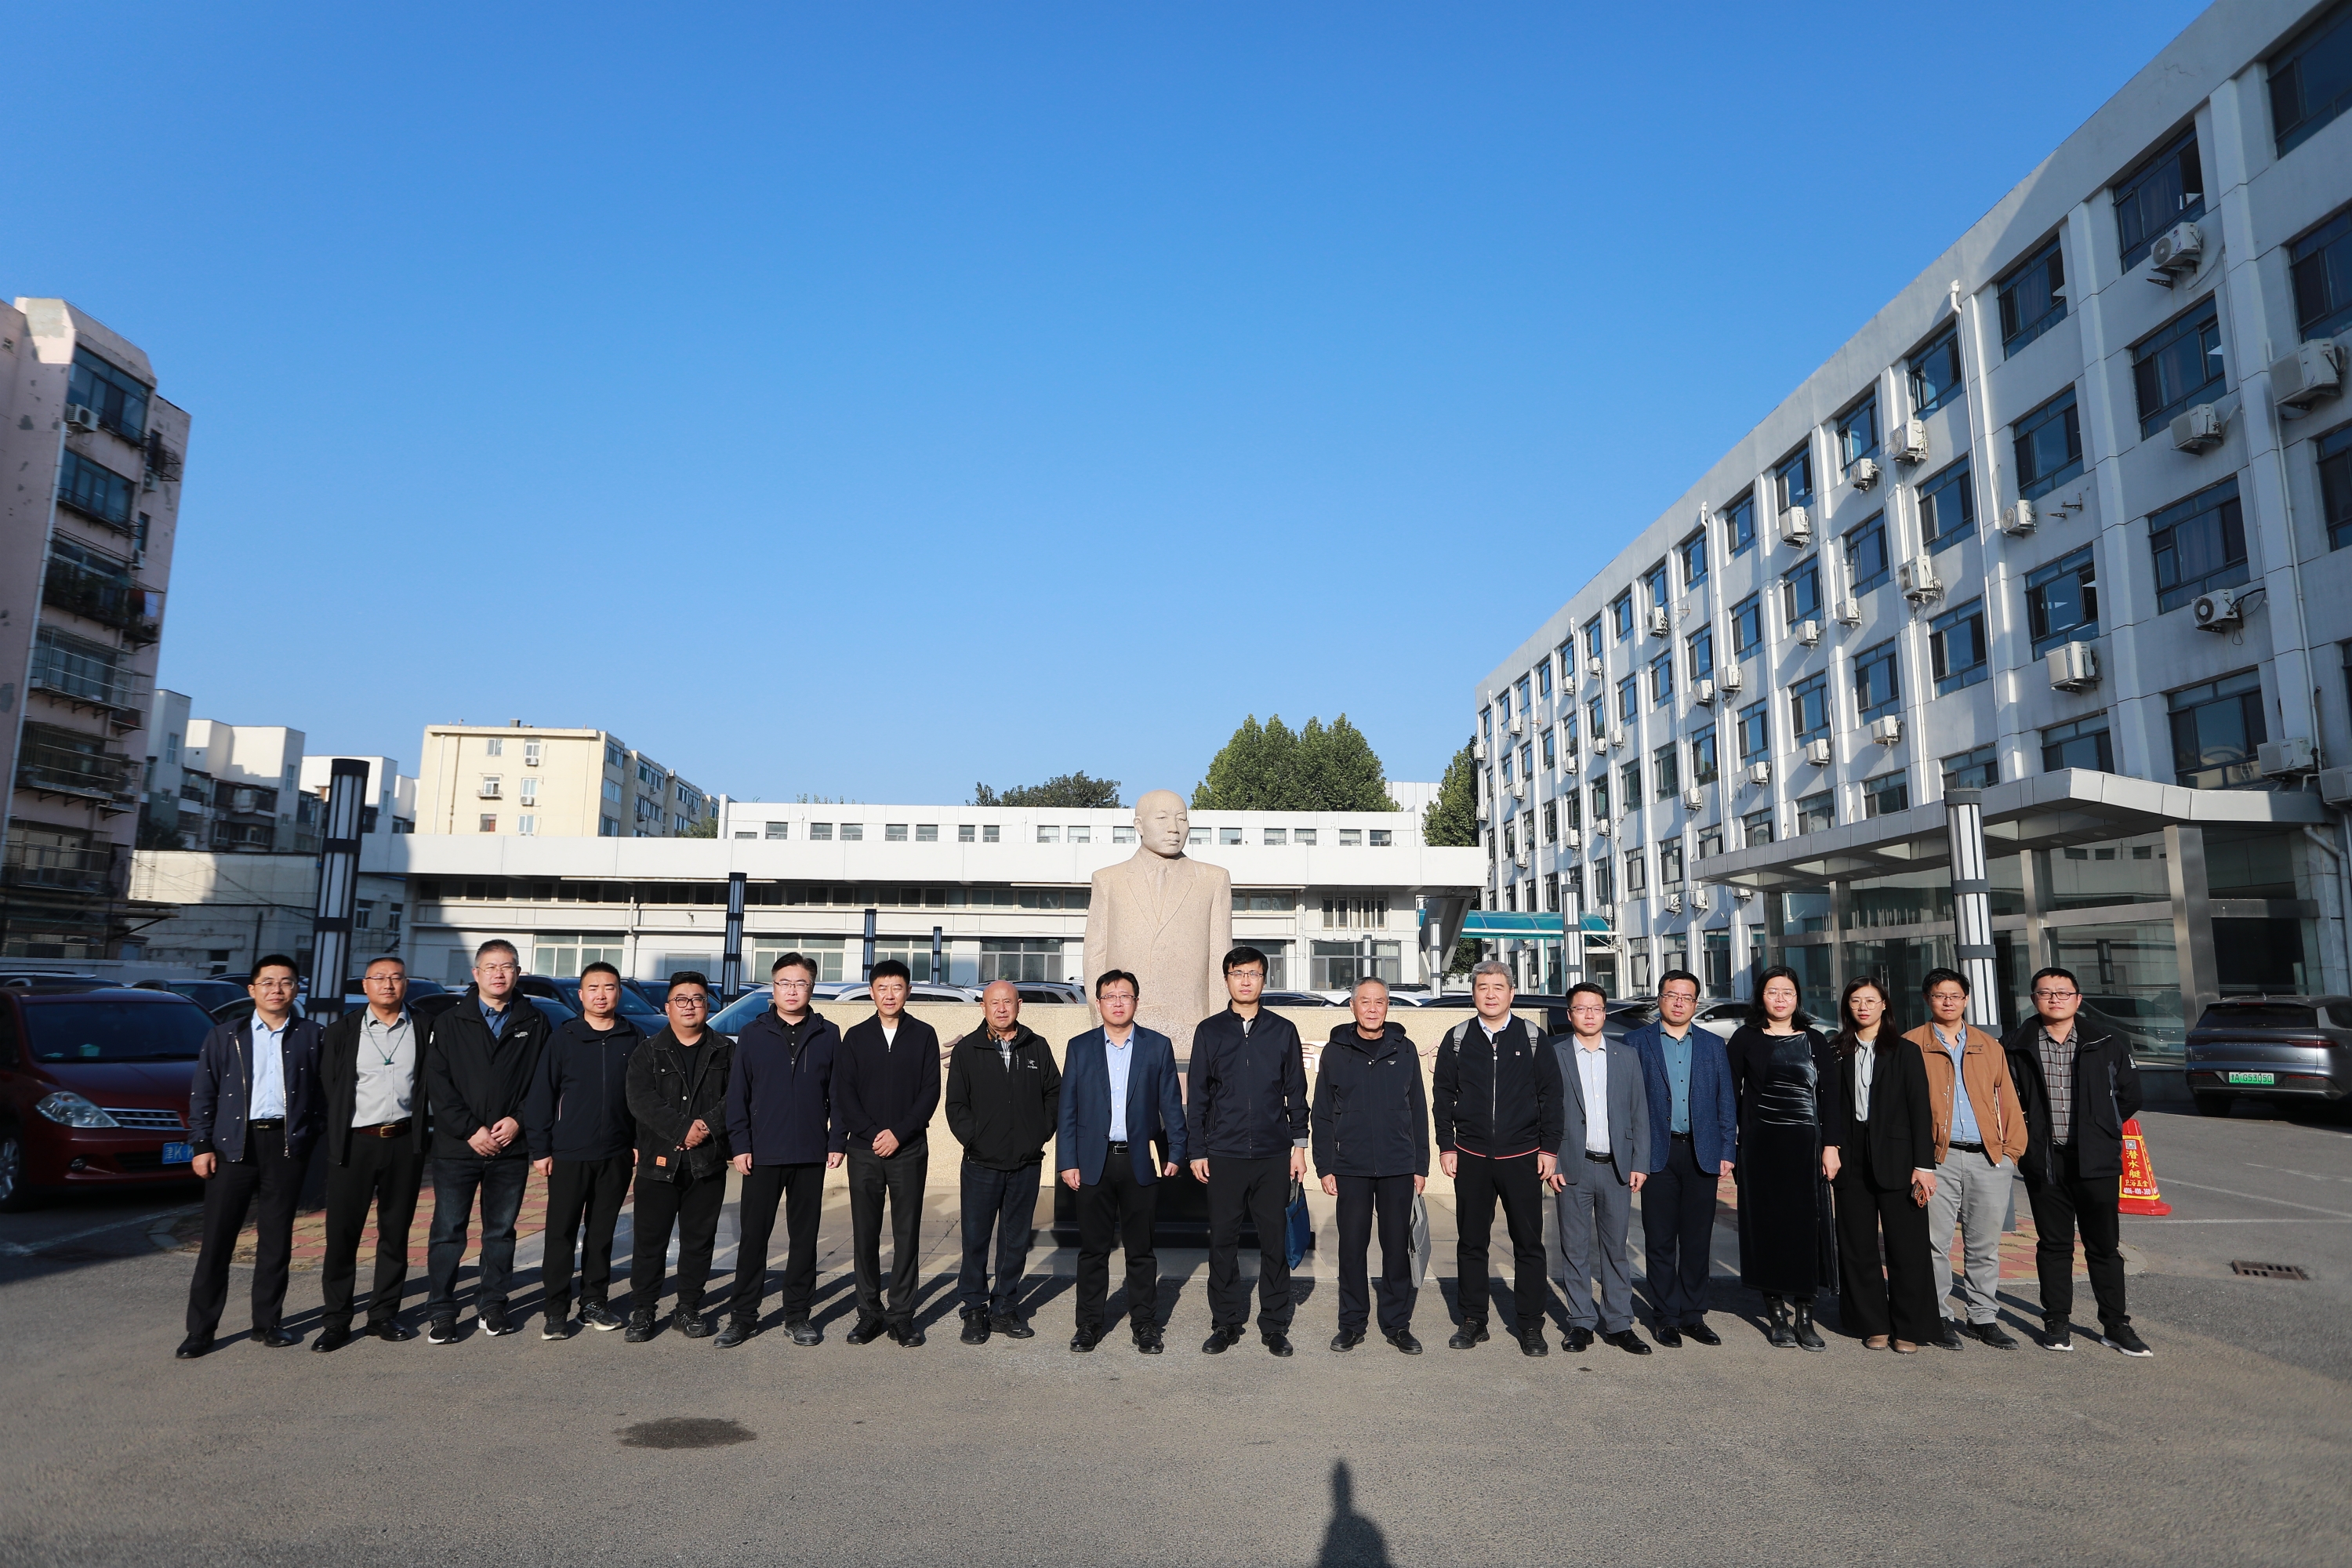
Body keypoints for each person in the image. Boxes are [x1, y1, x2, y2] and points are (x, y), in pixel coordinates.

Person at [177, 955, 325, 1358]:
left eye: (286, 982)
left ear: (297, 988)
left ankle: (268, 1323)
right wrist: (201, 1144)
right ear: (252, 989)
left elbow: (324, 1095)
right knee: (217, 1240)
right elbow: (203, 1094)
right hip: (233, 1146)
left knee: (276, 1240)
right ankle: (200, 1330)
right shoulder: (226, 1035)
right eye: (268, 982)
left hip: (286, 1147)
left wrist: (311, 1137)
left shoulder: (312, 1035)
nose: (277, 990)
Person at [2004, 966, 2151, 1356]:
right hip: (2045, 1159)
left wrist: (2101, 1126)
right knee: (2054, 1245)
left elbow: (2130, 1095)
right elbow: (2006, 1099)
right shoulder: (2015, 1045)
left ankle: (2116, 1325)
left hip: (2096, 1160)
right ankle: (2056, 1322)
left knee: (2104, 1246)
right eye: (2045, 993)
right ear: (2034, 999)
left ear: (2078, 999)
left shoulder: (2106, 1042)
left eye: (2063, 993)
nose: (2055, 999)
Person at [422, 939, 551, 1343]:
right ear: (476, 973)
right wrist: (470, 1130)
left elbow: (544, 1083)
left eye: (507, 966)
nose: (499, 973)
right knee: (448, 1231)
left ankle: (493, 1304)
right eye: (491, 967)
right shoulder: (448, 1022)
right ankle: (442, 1310)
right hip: (458, 1147)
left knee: (500, 1231)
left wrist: (518, 1122)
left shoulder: (535, 1022)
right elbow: (438, 1085)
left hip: (510, 1146)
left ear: (518, 973)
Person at [1432, 960, 1564, 1356]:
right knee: (1472, 1242)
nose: (1490, 994)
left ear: (1511, 993)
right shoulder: (1458, 1038)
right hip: (1471, 1155)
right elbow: (1443, 1096)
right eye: (1482, 987)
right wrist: (1447, 1145)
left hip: (1523, 1155)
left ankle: (1530, 1325)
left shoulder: (1533, 1037)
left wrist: (1549, 1148)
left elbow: (1551, 1096)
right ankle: (1473, 1320)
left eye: (1498, 987)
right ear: (1473, 993)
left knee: (1528, 1244)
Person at [1188, 945, 1311, 1357]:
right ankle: (1225, 1323)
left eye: (1254, 974)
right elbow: (1198, 1097)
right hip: (1224, 1153)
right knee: (1222, 1242)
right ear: (1227, 979)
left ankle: (1274, 1325)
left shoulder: (1282, 1030)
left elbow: (1296, 1092)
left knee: (1274, 1243)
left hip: (1274, 1154)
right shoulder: (1209, 1031)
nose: (1246, 981)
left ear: (1264, 979)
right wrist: (1197, 1150)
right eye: (1238, 973)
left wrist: (1299, 1147)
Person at [1058, 969, 1186, 1353]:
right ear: (1098, 1003)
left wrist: (1177, 1150)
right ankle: (1088, 1324)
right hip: (1092, 1162)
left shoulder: (1157, 1046)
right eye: (1109, 996)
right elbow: (1068, 1109)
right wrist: (1067, 1161)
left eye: (1125, 996)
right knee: (1093, 1250)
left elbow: (1171, 1104)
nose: (1117, 1003)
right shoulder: (1080, 1047)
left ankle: (1145, 1324)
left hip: (1139, 1161)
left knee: (1141, 1250)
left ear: (1136, 1002)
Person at [720, 952, 844, 1348]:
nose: (792, 990)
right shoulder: (753, 1033)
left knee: (803, 1240)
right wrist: (740, 1144)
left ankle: (798, 1316)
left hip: (810, 1152)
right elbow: (738, 1095)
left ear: (812, 988)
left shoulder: (828, 1033)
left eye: (801, 983)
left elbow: (838, 1094)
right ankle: (742, 1318)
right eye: (784, 983)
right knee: (753, 1239)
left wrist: (836, 1140)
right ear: (773, 988)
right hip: (762, 1153)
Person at [1904, 968, 2027, 1349]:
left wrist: (2011, 1153)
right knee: (1933, 1244)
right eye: (1940, 995)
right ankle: (1939, 1316)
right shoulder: (1910, 1044)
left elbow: (2008, 1100)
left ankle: (1983, 1317)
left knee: (1984, 1245)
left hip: (1988, 1159)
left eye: (1955, 995)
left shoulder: (1989, 1046)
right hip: (1934, 1160)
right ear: (1927, 1000)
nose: (1948, 1002)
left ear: (1966, 1000)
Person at [314, 955, 427, 1352]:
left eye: (396, 977)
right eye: (379, 978)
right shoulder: (342, 1031)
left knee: (395, 1234)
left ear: (406, 983)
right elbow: (329, 1087)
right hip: (355, 1143)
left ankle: (383, 1315)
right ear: (365, 985)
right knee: (342, 1235)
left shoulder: (424, 1027)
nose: (388, 985)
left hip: (404, 1142)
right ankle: (336, 1320)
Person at [1311, 976, 1429, 1355]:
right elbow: (1322, 1113)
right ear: (1353, 1006)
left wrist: (1421, 1165)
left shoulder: (1404, 1049)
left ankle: (1397, 1325)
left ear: (1388, 1006)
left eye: (1380, 1001)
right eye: (1365, 1001)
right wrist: (1325, 1166)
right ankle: (1352, 1324)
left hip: (1398, 1165)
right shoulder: (1335, 1052)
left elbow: (1418, 1110)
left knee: (1396, 1249)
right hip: (1351, 1166)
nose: (1373, 1008)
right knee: (1351, 1249)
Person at [524, 960, 642, 1340]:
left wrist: (637, 1141)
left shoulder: (633, 1036)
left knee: (601, 1234)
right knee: (560, 1234)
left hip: (616, 1153)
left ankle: (594, 1302)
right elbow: (541, 1096)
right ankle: (556, 1310)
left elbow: (643, 1096)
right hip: (569, 1153)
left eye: (609, 987)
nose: (601, 995)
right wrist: (541, 1149)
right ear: (581, 994)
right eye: (593, 988)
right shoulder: (564, 1038)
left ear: (619, 992)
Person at [1725, 964, 1837, 1351]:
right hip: (1760, 1149)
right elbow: (1729, 1094)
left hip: (1807, 1148)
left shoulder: (1815, 1039)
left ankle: (1805, 1316)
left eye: (1787, 992)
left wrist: (1832, 1147)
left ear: (1797, 998)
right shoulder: (1745, 1038)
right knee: (1767, 1231)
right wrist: (1732, 1145)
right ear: (1761, 996)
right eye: (1772, 992)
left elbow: (1831, 1098)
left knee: (1807, 1230)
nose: (1780, 999)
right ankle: (1777, 1316)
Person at [1823, 978, 1938, 1351]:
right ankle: (1871, 1322)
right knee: (1857, 1244)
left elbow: (1920, 1110)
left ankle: (1909, 1327)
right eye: (1856, 1001)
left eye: (1870, 1001)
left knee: (1907, 1246)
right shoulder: (1835, 1050)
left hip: (1899, 1158)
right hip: (1850, 1155)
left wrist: (1924, 1165)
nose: (1863, 1007)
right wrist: (1830, 1147)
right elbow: (1829, 1106)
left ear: (1884, 1005)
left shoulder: (1905, 1051)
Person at [945, 980, 1062, 1345]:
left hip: (1025, 1163)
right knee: (976, 1239)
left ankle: (1005, 1307)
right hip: (981, 1164)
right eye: (993, 1002)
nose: (1001, 1008)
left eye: (1007, 1002)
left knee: (1015, 1241)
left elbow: (1054, 1094)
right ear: (983, 1007)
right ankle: (973, 1308)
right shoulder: (968, 1049)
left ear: (1019, 1004)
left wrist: (1038, 1133)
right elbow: (956, 1105)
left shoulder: (1036, 1046)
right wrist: (975, 1138)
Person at [835, 959, 942, 1346]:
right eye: (882, 988)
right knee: (865, 1232)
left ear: (908, 991)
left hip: (908, 1148)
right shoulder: (856, 1036)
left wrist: (898, 1133)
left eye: (897, 987)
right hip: (864, 1149)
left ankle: (901, 1315)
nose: (890, 995)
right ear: (872, 992)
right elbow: (844, 1092)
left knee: (906, 1232)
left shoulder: (924, 1035)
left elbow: (930, 1091)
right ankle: (868, 1312)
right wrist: (871, 1132)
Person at [1628, 968, 1737, 1347]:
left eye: (1686, 997)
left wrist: (1727, 1149)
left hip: (1702, 1152)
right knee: (1659, 1240)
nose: (1678, 1003)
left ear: (1695, 1003)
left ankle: (1693, 1315)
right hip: (1656, 1152)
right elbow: (1627, 1101)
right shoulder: (1636, 1042)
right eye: (1671, 995)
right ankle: (1666, 1316)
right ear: (1659, 999)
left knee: (1696, 1240)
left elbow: (1726, 1101)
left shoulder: (1713, 1045)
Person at [623, 972, 734, 1341]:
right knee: (649, 1242)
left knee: (698, 1242)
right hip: (658, 1162)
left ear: (707, 1005)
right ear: (667, 1007)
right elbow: (640, 1099)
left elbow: (737, 1097)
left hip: (707, 1161)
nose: (689, 1006)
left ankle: (688, 1307)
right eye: (681, 1000)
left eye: (697, 999)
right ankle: (643, 1309)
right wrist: (682, 1128)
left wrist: (706, 1126)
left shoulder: (725, 1050)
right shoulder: (648, 1051)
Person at [1548, 982, 1653, 1355]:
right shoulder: (1554, 1054)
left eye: (1596, 1008)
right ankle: (1580, 1322)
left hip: (1616, 1167)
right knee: (1574, 1248)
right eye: (1581, 1008)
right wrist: (1552, 1160)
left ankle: (1620, 1322)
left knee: (1615, 1249)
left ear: (1605, 1013)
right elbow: (1544, 1111)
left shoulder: (1626, 1055)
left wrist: (1640, 1162)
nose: (1589, 1014)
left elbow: (1639, 1111)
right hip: (1571, 1166)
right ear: (1569, 1014)